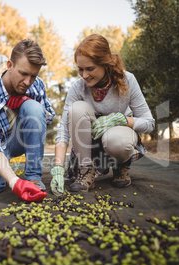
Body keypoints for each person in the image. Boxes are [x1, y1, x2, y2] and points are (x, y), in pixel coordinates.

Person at [50, 34, 155, 195]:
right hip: (88, 143)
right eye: (80, 69)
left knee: (117, 141)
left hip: (118, 138)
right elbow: (64, 129)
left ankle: (121, 166)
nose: (84, 75)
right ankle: (85, 170)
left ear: (105, 64)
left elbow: (149, 123)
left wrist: (121, 119)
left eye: (90, 69)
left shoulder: (128, 81)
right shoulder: (78, 88)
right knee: (76, 109)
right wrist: (57, 166)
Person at [0, 39, 55, 202]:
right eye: (23, 74)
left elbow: (48, 115)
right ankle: (4, 172)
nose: (27, 82)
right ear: (9, 65)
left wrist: (28, 106)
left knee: (34, 108)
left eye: (33, 76)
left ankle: (33, 176)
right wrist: (14, 181)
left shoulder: (36, 86)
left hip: (19, 141)